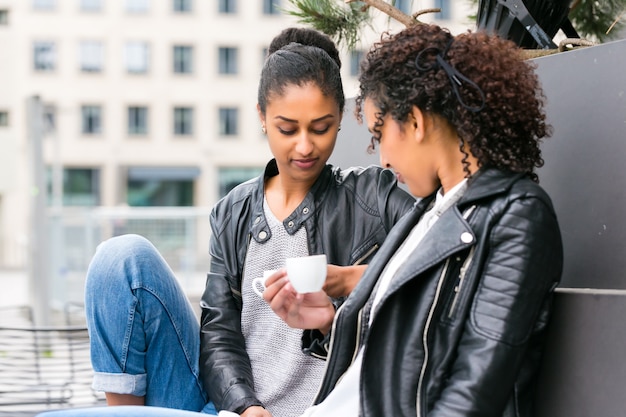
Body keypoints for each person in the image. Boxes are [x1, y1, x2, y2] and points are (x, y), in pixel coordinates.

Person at [35, 28, 414, 417]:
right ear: (262, 117)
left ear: (339, 120)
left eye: (321, 128)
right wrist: (245, 406)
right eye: (287, 128)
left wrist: (352, 281)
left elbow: (441, 261)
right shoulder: (232, 211)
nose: (304, 146)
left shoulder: (375, 197)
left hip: (324, 408)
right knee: (120, 258)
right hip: (229, 409)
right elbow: (219, 334)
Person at [261, 23, 564, 417]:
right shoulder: (427, 212)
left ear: (416, 123)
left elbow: (473, 390)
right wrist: (330, 325)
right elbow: (393, 366)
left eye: (380, 133)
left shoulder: (516, 215)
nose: (382, 158)